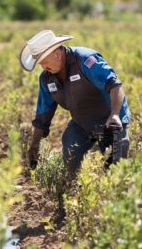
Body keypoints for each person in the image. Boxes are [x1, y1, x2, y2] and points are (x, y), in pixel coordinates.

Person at [20, 30, 131, 177]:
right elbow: (43, 114)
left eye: (44, 62)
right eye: (40, 64)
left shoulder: (85, 60)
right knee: (70, 155)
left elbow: (114, 85)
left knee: (116, 170)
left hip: (110, 121)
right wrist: (35, 144)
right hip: (82, 124)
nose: (43, 67)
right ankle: (75, 191)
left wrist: (115, 115)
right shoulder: (46, 79)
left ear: (57, 54)